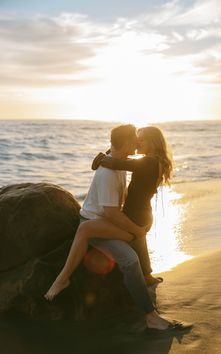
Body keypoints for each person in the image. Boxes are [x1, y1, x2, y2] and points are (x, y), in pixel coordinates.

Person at [45, 124, 191, 331]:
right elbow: (110, 211)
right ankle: (64, 278)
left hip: (114, 220)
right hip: (101, 221)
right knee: (123, 250)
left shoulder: (130, 164)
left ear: (150, 142)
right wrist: (137, 230)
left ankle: (147, 299)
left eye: (141, 139)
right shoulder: (116, 169)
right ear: (128, 144)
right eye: (136, 139)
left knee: (131, 245)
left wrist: (104, 157)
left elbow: (117, 167)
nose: (138, 143)